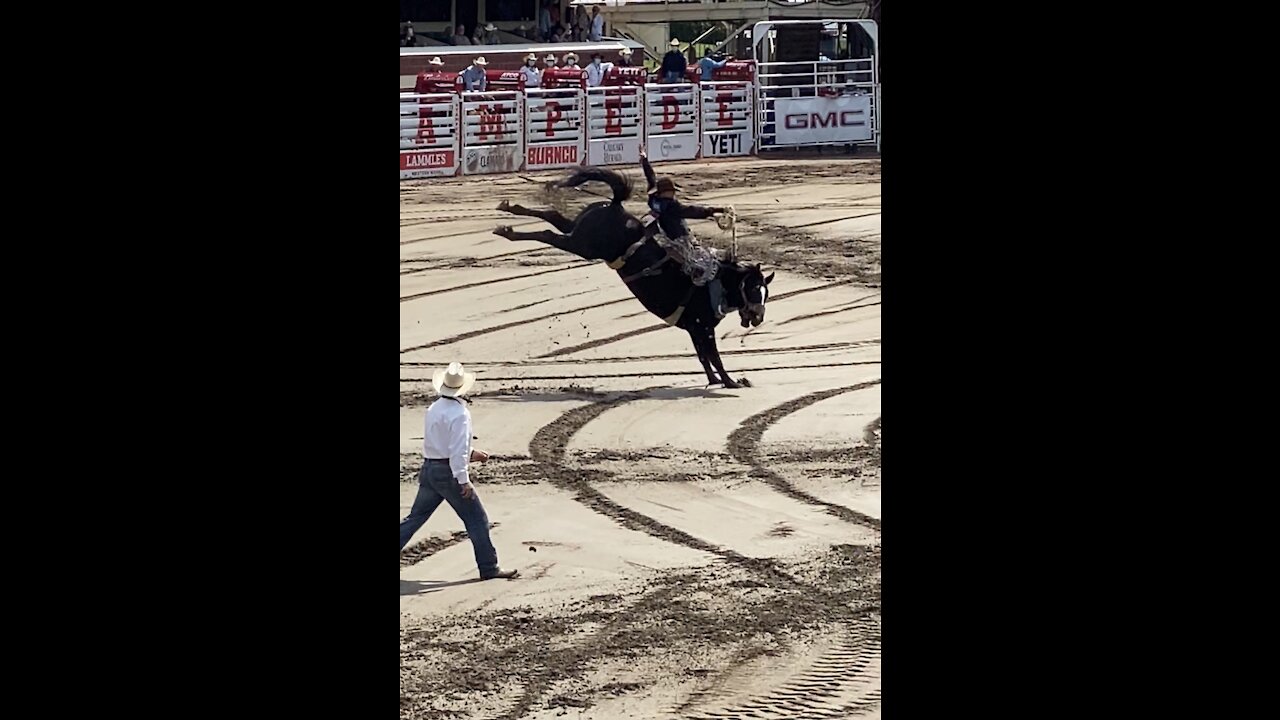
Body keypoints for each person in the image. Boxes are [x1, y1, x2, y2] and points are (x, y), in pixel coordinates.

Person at [399, 362, 518, 581]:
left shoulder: (434, 408)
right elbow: (455, 451)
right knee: (477, 519)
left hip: (430, 469)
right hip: (448, 473)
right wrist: (464, 481)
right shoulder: (460, 414)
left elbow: (442, 444)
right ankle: (489, 568)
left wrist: (472, 453)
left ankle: (489, 567)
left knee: (414, 518)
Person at [637, 147, 730, 315]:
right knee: (698, 262)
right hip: (679, 238)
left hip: (665, 235)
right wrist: (716, 210)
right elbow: (693, 211)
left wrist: (644, 159)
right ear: (666, 192)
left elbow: (651, 177)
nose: (673, 194)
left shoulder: (653, 200)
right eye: (671, 192)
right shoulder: (672, 207)